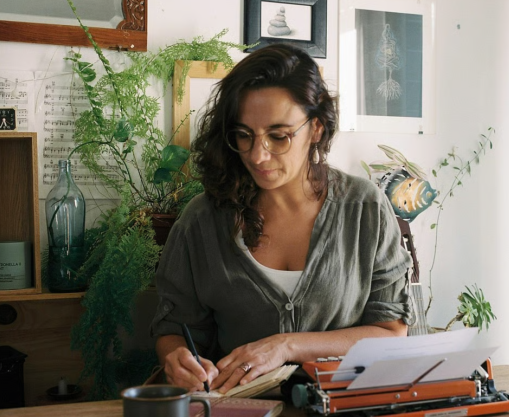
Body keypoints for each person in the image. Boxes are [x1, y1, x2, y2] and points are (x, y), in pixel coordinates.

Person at [151, 43, 415, 395]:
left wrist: (286, 346)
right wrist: (177, 360)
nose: (258, 155)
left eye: (279, 136)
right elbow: (173, 329)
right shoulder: (201, 221)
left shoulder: (364, 208)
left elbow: (391, 333)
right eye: (244, 135)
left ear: (316, 128)